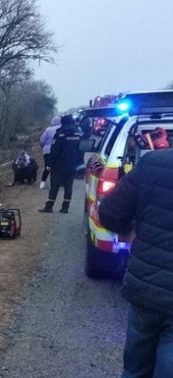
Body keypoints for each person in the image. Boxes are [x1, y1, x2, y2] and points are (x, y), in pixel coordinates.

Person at [98, 148, 173, 378]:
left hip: (145, 292)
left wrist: (132, 231)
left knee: (134, 370)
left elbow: (110, 213)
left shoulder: (153, 162)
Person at [38, 115, 82, 214]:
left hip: (59, 165)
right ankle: (65, 208)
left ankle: (49, 207)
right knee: (68, 186)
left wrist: (50, 164)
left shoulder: (60, 134)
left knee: (55, 186)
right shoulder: (78, 134)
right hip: (72, 164)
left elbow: (54, 150)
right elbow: (80, 149)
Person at [39, 116, 61, 189]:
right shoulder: (61, 129)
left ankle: (42, 182)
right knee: (57, 167)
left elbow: (42, 141)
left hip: (47, 151)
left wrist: (44, 147)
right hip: (58, 151)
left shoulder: (48, 130)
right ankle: (55, 183)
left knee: (47, 166)